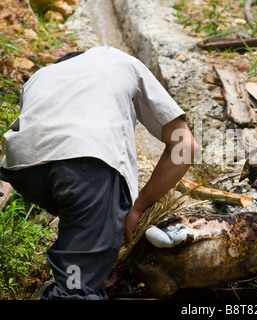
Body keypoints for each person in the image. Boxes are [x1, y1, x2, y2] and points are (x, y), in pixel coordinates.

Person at [0, 46, 197, 299]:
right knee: (75, 293)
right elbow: (184, 145)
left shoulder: (40, 77)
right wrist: (137, 208)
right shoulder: (120, 61)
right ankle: (76, 279)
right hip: (84, 166)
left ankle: (81, 257)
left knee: (82, 220)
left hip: (23, 171)